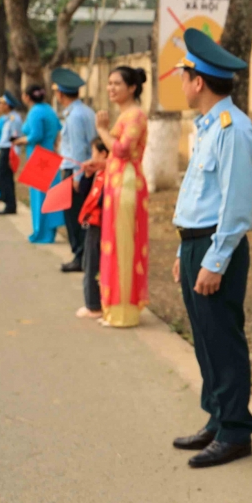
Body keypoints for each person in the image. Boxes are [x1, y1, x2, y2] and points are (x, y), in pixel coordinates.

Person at [169, 29, 252, 469]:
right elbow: (196, 195)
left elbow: (236, 206)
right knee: (205, 339)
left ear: (198, 81)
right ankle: (217, 417)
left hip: (215, 245)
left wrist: (214, 260)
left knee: (223, 339)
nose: (182, 84)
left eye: (184, 76)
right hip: (196, 244)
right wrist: (181, 254)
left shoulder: (232, 130)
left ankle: (236, 431)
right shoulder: (207, 128)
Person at [93, 65, 149, 329]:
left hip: (127, 185)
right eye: (109, 83)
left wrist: (102, 130)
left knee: (124, 246)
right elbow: (116, 155)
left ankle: (124, 312)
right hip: (115, 183)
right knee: (114, 245)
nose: (111, 88)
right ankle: (113, 308)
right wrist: (99, 165)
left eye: (117, 83)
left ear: (132, 88)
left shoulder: (135, 115)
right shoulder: (124, 115)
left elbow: (123, 150)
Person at [51, 68, 97, 274]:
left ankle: (80, 256)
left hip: (76, 171)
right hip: (85, 170)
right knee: (81, 215)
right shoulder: (85, 111)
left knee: (74, 217)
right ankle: (83, 255)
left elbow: (79, 148)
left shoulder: (75, 116)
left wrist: (77, 176)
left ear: (60, 94)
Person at [16, 84, 63, 243]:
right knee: (50, 195)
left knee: (39, 197)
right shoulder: (49, 109)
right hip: (50, 154)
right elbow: (57, 129)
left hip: (39, 157)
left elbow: (35, 135)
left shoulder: (35, 112)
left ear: (27, 97)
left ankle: (41, 232)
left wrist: (20, 140)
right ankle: (50, 231)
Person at [76, 138, 109, 319]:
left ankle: (94, 305)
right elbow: (83, 192)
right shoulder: (98, 174)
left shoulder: (110, 175)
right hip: (93, 223)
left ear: (103, 154)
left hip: (99, 225)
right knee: (89, 261)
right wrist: (87, 176)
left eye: (94, 153)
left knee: (92, 264)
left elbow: (102, 201)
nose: (92, 157)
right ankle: (94, 302)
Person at [0, 92, 22, 216]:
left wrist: (13, 156)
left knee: (4, 178)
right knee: (2, 177)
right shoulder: (8, 118)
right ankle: (8, 203)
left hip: (9, 152)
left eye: (1, 104)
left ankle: (10, 204)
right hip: (4, 150)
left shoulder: (14, 119)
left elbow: (15, 139)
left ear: (7, 105)